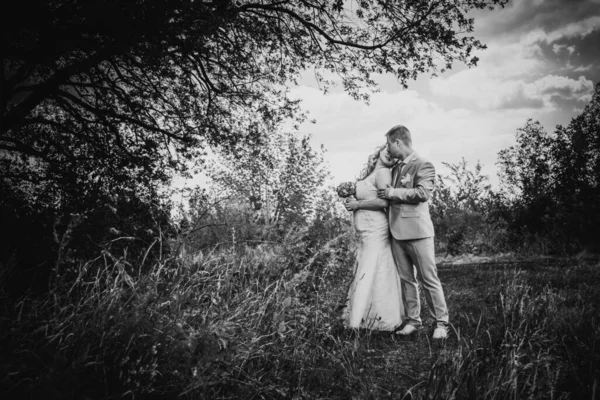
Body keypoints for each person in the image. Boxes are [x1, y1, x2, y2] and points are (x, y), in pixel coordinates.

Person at [377, 125, 449, 340]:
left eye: (389, 144)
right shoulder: (395, 168)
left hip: (418, 232)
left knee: (429, 279)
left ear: (398, 141)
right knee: (406, 279)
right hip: (396, 232)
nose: (388, 149)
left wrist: (392, 192)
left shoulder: (423, 164)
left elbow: (422, 193)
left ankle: (441, 323)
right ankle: (413, 321)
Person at [343, 144, 404, 331]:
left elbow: (383, 201)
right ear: (378, 152)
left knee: (373, 266)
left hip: (376, 229)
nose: (389, 155)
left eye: (394, 156)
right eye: (386, 150)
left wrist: (357, 205)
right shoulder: (370, 175)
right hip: (366, 230)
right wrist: (350, 201)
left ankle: (376, 317)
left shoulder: (384, 172)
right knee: (368, 265)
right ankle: (366, 314)